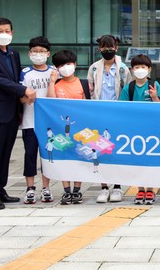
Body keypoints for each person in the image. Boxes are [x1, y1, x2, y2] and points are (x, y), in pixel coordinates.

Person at [0, 18, 35, 210]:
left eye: (7, 31)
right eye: (0, 31)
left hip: (11, 112)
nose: (4, 34)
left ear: (12, 33)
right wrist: (23, 90)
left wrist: (21, 97)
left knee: (4, 154)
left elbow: (15, 78)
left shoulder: (13, 53)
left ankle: (1, 189)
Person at [87, 34, 132, 204]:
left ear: (116, 48)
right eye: (104, 48)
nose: (107, 50)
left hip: (117, 114)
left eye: (110, 47)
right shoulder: (93, 68)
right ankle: (104, 187)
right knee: (100, 150)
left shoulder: (123, 69)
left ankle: (117, 187)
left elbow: (127, 90)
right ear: (99, 49)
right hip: (98, 114)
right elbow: (90, 90)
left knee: (117, 150)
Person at [47, 49, 91, 205]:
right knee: (64, 158)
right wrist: (51, 82)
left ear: (75, 64)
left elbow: (87, 106)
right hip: (60, 128)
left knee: (79, 157)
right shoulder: (56, 84)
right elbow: (50, 103)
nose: (66, 68)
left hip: (80, 128)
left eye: (68, 63)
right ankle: (66, 191)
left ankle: (77, 190)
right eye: (61, 65)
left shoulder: (83, 83)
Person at [119, 54, 160, 205]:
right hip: (134, 129)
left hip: (151, 129)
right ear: (132, 70)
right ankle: (140, 189)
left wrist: (155, 97)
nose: (140, 70)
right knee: (137, 159)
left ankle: (150, 189)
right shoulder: (128, 88)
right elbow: (123, 109)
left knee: (150, 159)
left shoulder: (154, 85)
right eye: (137, 67)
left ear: (149, 69)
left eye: (143, 67)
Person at [19, 36, 57, 204]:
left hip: (49, 124)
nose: (38, 54)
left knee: (46, 156)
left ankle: (46, 188)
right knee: (30, 155)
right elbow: (19, 97)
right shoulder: (25, 73)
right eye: (35, 51)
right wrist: (26, 98)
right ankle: (30, 188)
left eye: (42, 51)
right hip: (29, 121)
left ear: (48, 53)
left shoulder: (54, 72)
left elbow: (56, 98)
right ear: (29, 53)